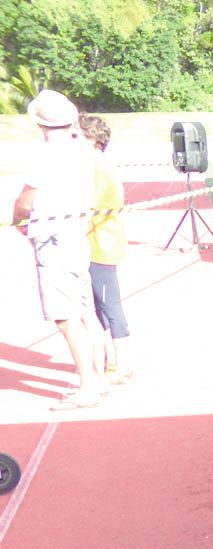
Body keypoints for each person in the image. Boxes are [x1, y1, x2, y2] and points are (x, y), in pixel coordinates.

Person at [11, 90, 104, 410]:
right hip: (76, 236)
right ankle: (98, 378)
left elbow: (25, 201)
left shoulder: (44, 155)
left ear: (39, 123)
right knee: (83, 311)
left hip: (54, 240)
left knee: (65, 317)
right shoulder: (82, 150)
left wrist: (17, 220)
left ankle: (88, 387)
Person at [78, 114, 133, 384]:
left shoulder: (101, 167)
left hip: (100, 245)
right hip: (91, 243)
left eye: (78, 137)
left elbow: (105, 206)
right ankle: (109, 359)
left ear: (93, 140)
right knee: (95, 306)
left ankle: (122, 362)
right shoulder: (91, 166)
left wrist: (79, 225)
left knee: (108, 303)